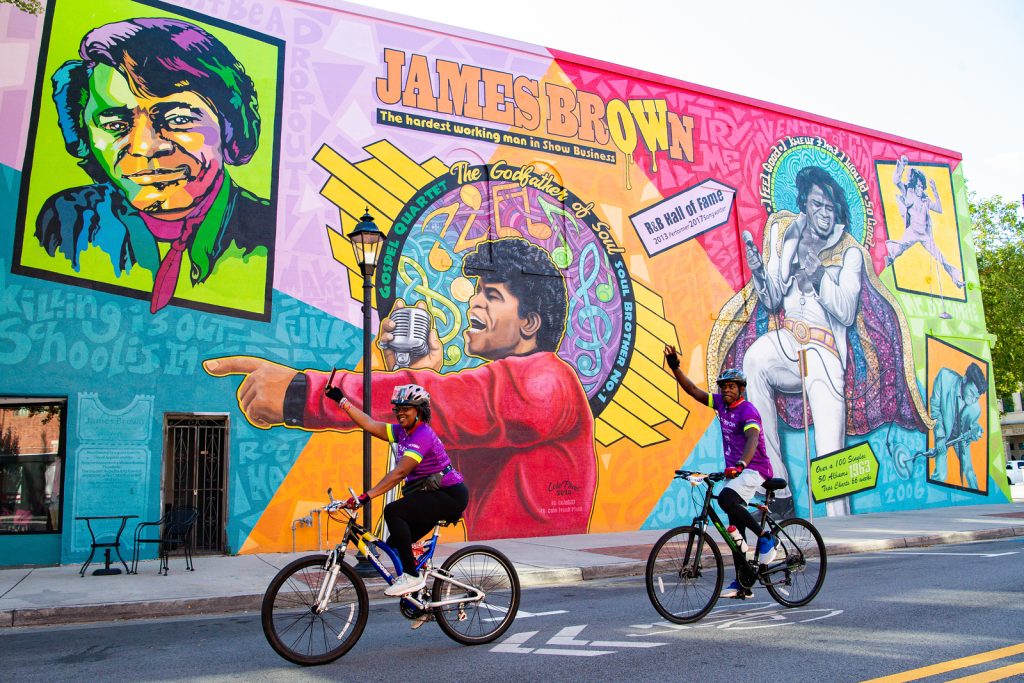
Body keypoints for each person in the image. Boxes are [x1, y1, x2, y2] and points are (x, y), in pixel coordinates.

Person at [205, 237, 597, 540]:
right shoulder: (512, 395)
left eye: (492, 296)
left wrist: (301, 392)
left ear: (529, 324)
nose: (474, 304)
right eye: (477, 292)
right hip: (498, 556)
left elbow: (446, 405)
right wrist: (417, 377)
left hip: (521, 559)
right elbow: (440, 443)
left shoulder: (546, 379)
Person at [36, 18, 274, 314]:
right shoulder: (68, 217)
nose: (144, 148)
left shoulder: (268, 237)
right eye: (115, 124)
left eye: (179, 119)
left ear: (230, 129)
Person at [328, 381, 468, 597]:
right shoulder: (402, 432)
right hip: (429, 496)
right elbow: (369, 424)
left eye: (406, 409)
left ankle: (411, 577)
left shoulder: (422, 435)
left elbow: (400, 472)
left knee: (393, 511)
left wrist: (367, 496)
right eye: (398, 409)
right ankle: (421, 600)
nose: (400, 413)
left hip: (449, 496)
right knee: (394, 546)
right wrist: (341, 400)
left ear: (419, 411)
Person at [663, 346, 775, 599]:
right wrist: (674, 367)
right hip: (736, 473)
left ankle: (766, 536)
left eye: (732, 386)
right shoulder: (721, 406)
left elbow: (752, 439)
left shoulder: (748, 411)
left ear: (741, 389)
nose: (726, 390)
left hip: (755, 469)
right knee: (733, 528)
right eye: (723, 386)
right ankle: (743, 584)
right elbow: (694, 391)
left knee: (726, 500)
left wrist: (743, 464)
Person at [886, 156, 964, 288]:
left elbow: (939, 209)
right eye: (918, 186)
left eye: (922, 186)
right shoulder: (908, 192)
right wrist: (902, 166)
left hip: (924, 234)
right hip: (912, 231)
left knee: (941, 257)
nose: (920, 188)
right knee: (899, 248)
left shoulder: (925, 199)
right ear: (913, 184)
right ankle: (890, 258)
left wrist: (935, 192)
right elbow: (895, 180)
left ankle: (956, 280)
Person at [928, 364, 986, 489]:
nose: (972, 400)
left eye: (977, 398)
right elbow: (935, 408)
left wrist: (974, 433)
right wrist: (939, 437)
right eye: (971, 394)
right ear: (965, 379)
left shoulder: (976, 409)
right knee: (941, 475)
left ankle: (977, 501)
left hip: (960, 438)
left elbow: (972, 426)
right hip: (942, 431)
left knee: (970, 472)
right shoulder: (945, 377)